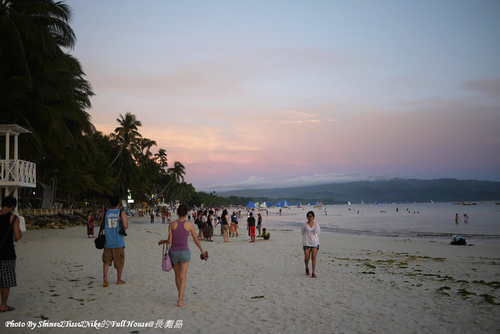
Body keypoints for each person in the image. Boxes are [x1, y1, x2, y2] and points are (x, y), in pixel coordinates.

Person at [158, 204, 206, 307]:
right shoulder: (189, 225)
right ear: (187, 213)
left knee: (177, 276)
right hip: (185, 252)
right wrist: (201, 250)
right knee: (183, 276)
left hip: (174, 252)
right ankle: (180, 300)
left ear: (177, 212)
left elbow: (170, 241)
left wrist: (163, 241)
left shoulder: (172, 224)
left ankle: (180, 294)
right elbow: (196, 240)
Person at [0, 196, 22, 312]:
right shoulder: (13, 218)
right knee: (5, 280)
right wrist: (20, 233)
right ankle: (3, 305)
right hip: (7, 253)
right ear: (13, 206)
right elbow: (17, 237)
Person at [102, 196, 128, 287]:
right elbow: (125, 226)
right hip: (118, 242)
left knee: (106, 261)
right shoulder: (121, 213)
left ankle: (105, 279)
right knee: (119, 262)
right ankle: (119, 279)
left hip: (108, 241)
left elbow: (102, 225)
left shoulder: (106, 213)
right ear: (118, 203)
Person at [302, 211, 320, 278]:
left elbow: (318, 233)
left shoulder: (316, 224)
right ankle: (307, 267)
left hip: (315, 242)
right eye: (309, 216)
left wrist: (314, 238)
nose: (310, 217)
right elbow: (302, 232)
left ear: (313, 217)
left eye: (311, 216)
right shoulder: (304, 224)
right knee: (307, 258)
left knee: (314, 258)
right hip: (306, 242)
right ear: (307, 217)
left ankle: (313, 272)